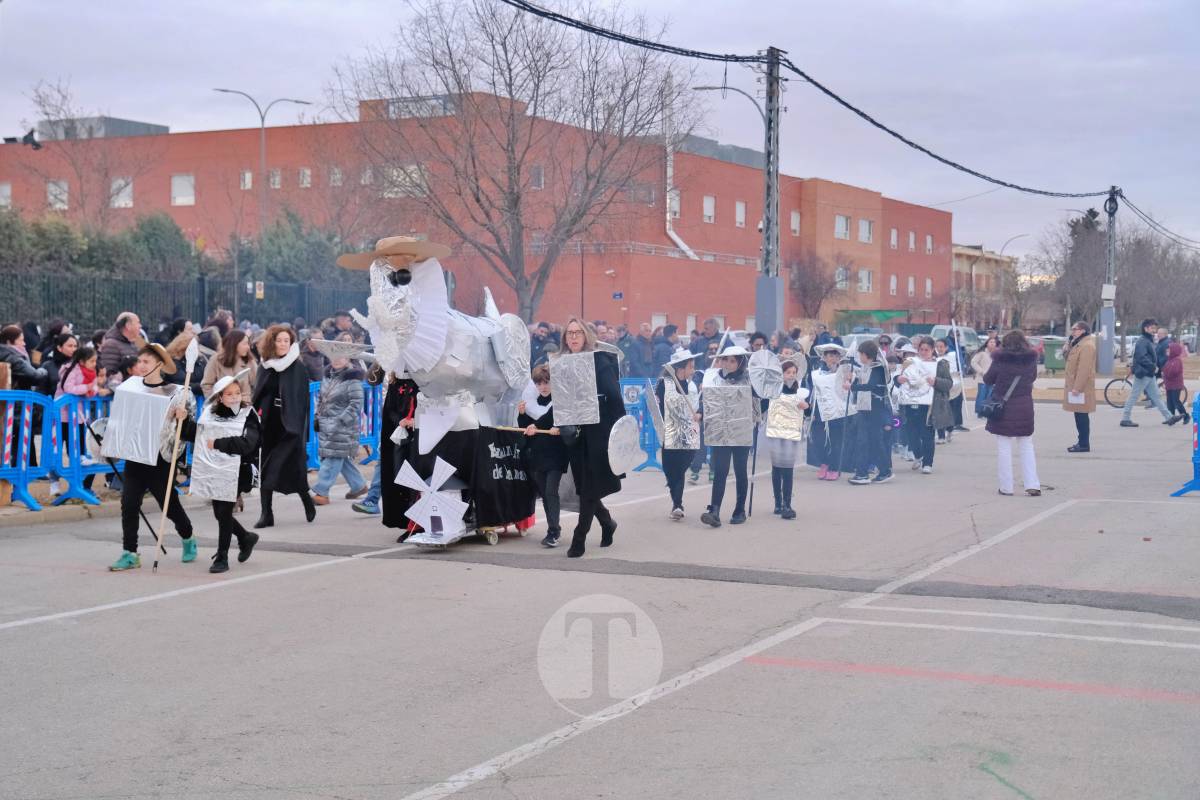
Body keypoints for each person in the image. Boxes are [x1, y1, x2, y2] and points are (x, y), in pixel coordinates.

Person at [108, 344, 199, 571]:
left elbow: (189, 432)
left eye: (146, 362)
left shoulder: (177, 393)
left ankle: (188, 537)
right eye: (140, 361)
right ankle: (130, 553)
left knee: (169, 506)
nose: (141, 365)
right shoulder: (130, 388)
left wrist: (183, 418)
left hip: (160, 458)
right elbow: (121, 419)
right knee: (128, 504)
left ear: (159, 364)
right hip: (135, 456)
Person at [180, 376, 261, 573]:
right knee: (219, 513)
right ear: (220, 398)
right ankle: (245, 537)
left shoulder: (248, 415)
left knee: (224, 512)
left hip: (239, 469)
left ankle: (222, 558)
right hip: (215, 470)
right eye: (229, 394)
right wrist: (183, 421)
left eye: (237, 393)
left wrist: (218, 443)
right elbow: (197, 434)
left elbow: (248, 444)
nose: (234, 397)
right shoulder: (209, 414)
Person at [558, 317, 623, 557]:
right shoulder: (562, 363)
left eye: (578, 332)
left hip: (598, 433)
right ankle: (607, 522)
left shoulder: (600, 361)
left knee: (588, 486)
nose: (573, 337)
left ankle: (579, 537)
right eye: (569, 333)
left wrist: (617, 435)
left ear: (587, 336)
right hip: (574, 433)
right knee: (585, 486)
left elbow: (615, 398)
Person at [252, 325, 316, 528]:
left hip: (291, 428)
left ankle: (305, 498)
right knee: (270, 468)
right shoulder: (265, 366)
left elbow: (302, 401)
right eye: (279, 340)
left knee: (281, 467)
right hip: (271, 425)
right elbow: (260, 394)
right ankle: (266, 514)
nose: (282, 344)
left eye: (286, 341)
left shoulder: (297, 368)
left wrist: (299, 429)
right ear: (272, 342)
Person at [700, 346, 755, 528]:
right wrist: (701, 412)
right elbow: (706, 400)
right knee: (720, 472)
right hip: (720, 431)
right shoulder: (712, 377)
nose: (728, 364)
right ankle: (714, 510)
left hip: (741, 431)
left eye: (732, 361)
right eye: (725, 360)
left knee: (740, 471)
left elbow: (761, 400)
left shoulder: (750, 379)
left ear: (740, 362)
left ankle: (739, 510)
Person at [983, 331, 1041, 497]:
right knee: (1026, 446)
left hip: (1004, 407)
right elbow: (1033, 377)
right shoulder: (1031, 360)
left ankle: (1006, 486)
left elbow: (988, 379)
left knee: (1004, 447)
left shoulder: (1000, 359)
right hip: (1024, 406)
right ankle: (1032, 484)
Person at [518, 364, 568, 547]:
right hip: (537, 454)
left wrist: (557, 427)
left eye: (546, 382)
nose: (543, 387)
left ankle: (554, 531)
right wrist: (523, 416)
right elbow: (524, 428)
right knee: (545, 494)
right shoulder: (531, 401)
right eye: (539, 383)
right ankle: (552, 528)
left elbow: (563, 420)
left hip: (556, 453)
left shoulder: (561, 401)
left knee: (550, 491)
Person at [311, 352, 367, 505]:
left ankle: (321, 492)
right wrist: (318, 415)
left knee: (332, 459)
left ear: (348, 358)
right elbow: (322, 399)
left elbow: (356, 404)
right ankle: (359, 485)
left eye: (340, 356)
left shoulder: (353, 380)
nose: (336, 359)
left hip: (343, 427)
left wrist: (340, 421)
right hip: (326, 424)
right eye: (333, 355)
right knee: (338, 457)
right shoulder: (328, 376)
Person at [656, 348, 701, 520]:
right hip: (669, 434)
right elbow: (657, 407)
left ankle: (677, 504)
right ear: (681, 368)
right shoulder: (663, 384)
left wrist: (699, 414)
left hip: (688, 435)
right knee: (670, 470)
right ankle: (676, 500)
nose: (694, 370)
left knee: (680, 470)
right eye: (691, 366)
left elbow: (696, 409)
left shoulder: (692, 386)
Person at [896, 337, 950, 475]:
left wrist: (935, 381)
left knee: (927, 433)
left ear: (933, 350)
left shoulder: (940, 364)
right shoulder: (911, 363)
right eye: (921, 349)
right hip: (910, 403)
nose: (924, 352)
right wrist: (899, 379)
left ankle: (928, 463)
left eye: (927, 350)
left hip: (930, 405)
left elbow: (948, 384)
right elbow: (899, 380)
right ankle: (918, 455)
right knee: (911, 432)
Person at [806, 343, 855, 482]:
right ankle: (824, 463)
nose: (832, 359)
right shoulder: (816, 374)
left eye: (834, 356)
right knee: (818, 440)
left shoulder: (845, 373)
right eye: (829, 356)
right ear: (824, 358)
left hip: (838, 413)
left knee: (836, 441)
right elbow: (813, 393)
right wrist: (811, 410)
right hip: (821, 412)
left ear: (839, 358)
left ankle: (834, 467)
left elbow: (849, 393)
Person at [765, 360, 808, 516]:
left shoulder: (800, 392)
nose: (791, 375)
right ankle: (777, 503)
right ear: (782, 374)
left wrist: (806, 406)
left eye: (793, 372)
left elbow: (808, 412)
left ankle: (787, 504)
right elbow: (763, 406)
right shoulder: (774, 390)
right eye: (788, 372)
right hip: (775, 434)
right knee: (776, 468)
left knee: (788, 470)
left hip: (792, 435)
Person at [1121, 319, 1182, 427]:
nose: (1154, 330)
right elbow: (1141, 357)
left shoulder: (1147, 340)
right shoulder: (1143, 341)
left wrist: (1153, 368)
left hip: (1149, 374)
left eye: (1155, 328)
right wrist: (1153, 366)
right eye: (1152, 328)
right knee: (1134, 396)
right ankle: (1125, 419)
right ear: (1146, 328)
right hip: (1144, 373)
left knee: (1156, 397)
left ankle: (1169, 417)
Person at [848, 340, 893, 485]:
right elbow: (861, 383)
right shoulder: (865, 368)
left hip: (875, 409)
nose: (859, 357)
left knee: (874, 441)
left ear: (866, 354)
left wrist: (852, 387)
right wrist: (852, 382)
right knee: (863, 441)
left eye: (860, 354)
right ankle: (863, 472)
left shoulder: (878, 368)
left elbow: (871, 386)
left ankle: (881, 471)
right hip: (864, 408)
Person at [1062, 322, 1097, 453]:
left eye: (1075, 329)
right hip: (1076, 385)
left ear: (1082, 331)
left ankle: (1083, 443)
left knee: (1082, 415)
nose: (1072, 332)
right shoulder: (1078, 344)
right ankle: (1081, 442)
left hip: (1081, 387)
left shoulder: (1087, 345)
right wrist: (1067, 346)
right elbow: (1068, 360)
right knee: (1078, 414)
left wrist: (1077, 387)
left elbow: (1084, 369)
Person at [202, 329, 258, 398]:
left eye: (248, 344)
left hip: (245, 405)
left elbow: (257, 386)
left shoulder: (250, 361)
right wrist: (217, 402)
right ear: (234, 344)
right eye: (244, 344)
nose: (248, 347)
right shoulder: (216, 360)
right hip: (222, 406)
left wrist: (248, 401)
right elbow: (207, 385)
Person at [0, 324, 48, 391]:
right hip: (16, 398)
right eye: (21, 340)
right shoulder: (13, 358)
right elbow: (34, 375)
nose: (24, 343)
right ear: (9, 342)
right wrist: (43, 370)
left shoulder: (5, 353)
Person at [934, 338, 963, 444]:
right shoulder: (933, 359)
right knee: (939, 412)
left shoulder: (952, 357)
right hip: (939, 388)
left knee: (949, 412)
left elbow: (956, 371)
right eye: (937, 347)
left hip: (952, 388)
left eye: (941, 346)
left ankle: (950, 430)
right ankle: (941, 436)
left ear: (946, 347)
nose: (939, 349)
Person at [98, 312, 142, 380]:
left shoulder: (133, 342)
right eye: (138, 322)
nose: (140, 326)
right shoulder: (111, 344)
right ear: (128, 326)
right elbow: (109, 373)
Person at [972, 336, 999, 418]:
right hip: (982, 378)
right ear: (987, 343)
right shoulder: (982, 353)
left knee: (990, 396)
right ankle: (980, 412)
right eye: (991, 342)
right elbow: (973, 362)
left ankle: (987, 411)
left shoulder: (997, 354)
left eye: (994, 342)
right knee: (982, 395)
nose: (992, 344)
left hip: (993, 379)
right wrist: (981, 371)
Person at [1163, 340, 1189, 423]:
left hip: (1176, 385)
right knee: (1170, 402)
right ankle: (1171, 417)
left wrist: (1166, 373)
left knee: (1176, 401)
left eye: (1169, 350)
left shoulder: (1177, 360)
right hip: (1169, 385)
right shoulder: (1170, 360)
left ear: (1174, 351)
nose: (1167, 351)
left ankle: (1186, 416)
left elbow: (1173, 372)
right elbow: (1165, 369)